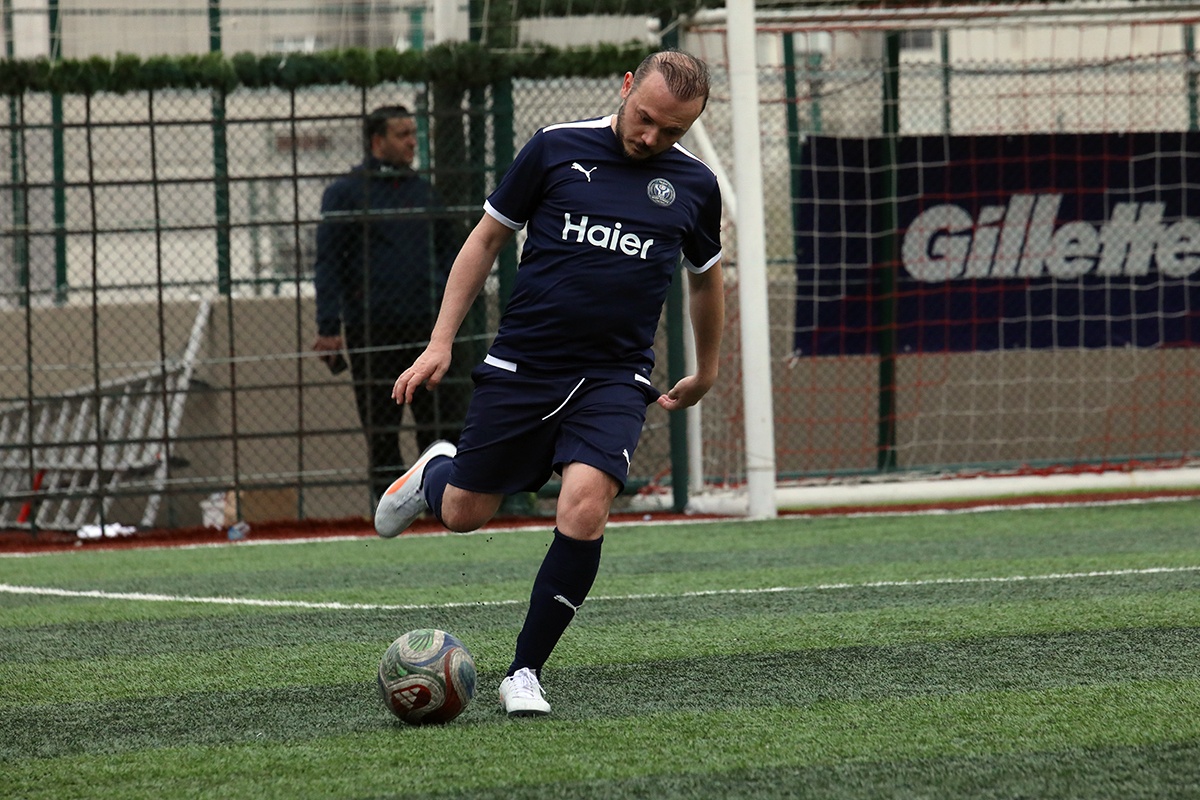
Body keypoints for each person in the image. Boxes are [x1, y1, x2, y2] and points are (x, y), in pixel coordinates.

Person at [375, 51, 724, 717]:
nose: (651, 137)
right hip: (525, 364)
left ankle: (524, 671)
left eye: (672, 130)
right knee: (464, 514)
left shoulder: (694, 185)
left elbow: (706, 279)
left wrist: (706, 370)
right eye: (645, 118)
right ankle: (435, 473)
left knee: (585, 505)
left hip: (615, 376)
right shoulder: (555, 147)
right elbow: (485, 241)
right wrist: (440, 342)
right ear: (626, 86)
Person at [312, 105, 459, 504]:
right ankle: (390, 509)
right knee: (381, 430)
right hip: (372, 330)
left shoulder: (424, 193)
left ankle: (438, 506)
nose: (412, 142)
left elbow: (452, 254)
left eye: (413, 132)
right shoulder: (346, 193)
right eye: (402, 134)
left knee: (438, 425)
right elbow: (328, 262)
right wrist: (328, 327)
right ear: (378, 141)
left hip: (427, 330)